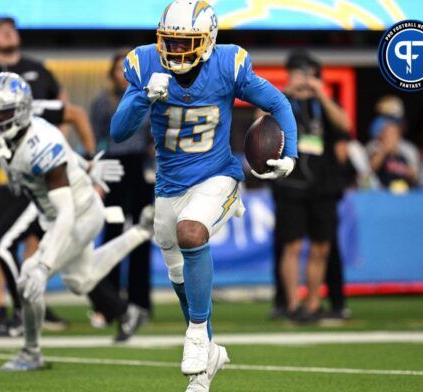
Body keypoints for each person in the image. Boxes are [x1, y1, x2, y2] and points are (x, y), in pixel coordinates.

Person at [110, 2, 298, 390]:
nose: (176, 52)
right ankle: (207, 359)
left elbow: (278, 102)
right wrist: (144, 96)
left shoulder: (227, 65)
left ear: (208, 41)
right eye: (171, 43)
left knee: (192, 232)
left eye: (187, 43)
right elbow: (118, 131)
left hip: (217, 176)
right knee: (178, 271)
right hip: (169, 185)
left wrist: (291, 151)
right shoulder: (146, 64)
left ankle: (197, 333)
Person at [0, 73, 154, 371]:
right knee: (80, 281)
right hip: (57, 211)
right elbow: (66, 154)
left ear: (21, 111)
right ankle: (140, 232)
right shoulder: (3, 133)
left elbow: (66, 212)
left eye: (5, 113)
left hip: (79, 213)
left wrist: (44, 266)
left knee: (29, 276)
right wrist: (87, 165)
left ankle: (31, 352)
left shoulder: (40, 144)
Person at [0, 16, 94, 335]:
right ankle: (1, 304)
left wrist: (63, 150)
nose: (9, 31)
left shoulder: (38, 68)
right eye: (0, 28)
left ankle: (29, 301)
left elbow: (66, 109)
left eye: (11, 26)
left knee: (33, 237)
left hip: (38, 166)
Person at [269, 49, 351, 325]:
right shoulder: (281, 101)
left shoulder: (324, 104)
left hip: (323, 185)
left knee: (321, 247)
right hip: (289, 183)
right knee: (291, 246)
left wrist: (323, 96)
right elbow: (260, 122)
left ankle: (313, 303)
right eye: (299, 73)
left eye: (310, 74)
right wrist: (287, 93)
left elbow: (345, 126)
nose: (305, 79)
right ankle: (293, 304)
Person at [88, 49, 155, 326]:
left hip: (139, 170)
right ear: (111, 74)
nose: (124, 75)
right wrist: (96, 175)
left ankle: (140, 304)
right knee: (112, 235)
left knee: (141, 235)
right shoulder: (102, 102)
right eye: (119, 70)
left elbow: (153, 138)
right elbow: (96, 140)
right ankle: (109, 305)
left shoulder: (146, 99)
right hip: (113, 170)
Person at [367, 116, 419, 191]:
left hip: (402, 192)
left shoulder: (403, 155)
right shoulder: (374, 149)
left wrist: (409, 172)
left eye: (395, 134)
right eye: (389, 134)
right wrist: (384, 149)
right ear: (381, 135)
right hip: (381, 193)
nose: (392, 138)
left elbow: (414, 176)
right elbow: (370, 169)